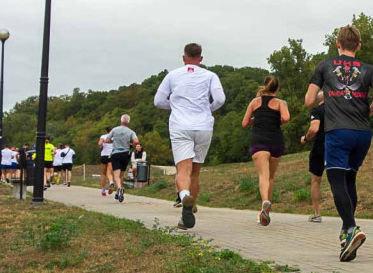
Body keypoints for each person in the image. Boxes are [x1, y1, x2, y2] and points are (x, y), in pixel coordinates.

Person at [304, 24, 373, 262]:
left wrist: (325, 94)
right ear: (359, 46)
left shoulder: (325, 66)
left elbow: (309, 100)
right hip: (363, 133)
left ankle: (351, 228)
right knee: (350, 178)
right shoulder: (368, 69)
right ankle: (345, 234)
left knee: (336, 180)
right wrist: (368, 112)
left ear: (337, 44)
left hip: (337, 131)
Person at [153, 42, 226, 230]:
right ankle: (188, 211)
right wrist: (207, 108)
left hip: (180, 126)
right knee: (195, 172)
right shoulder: (210, 75)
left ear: (184, 58)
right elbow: (220, 99)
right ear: (201, 59)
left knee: (182, 170)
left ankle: (184, 195)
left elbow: (158, 101)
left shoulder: (173, 75)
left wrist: (176, 105)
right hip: (203, 127)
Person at [242, 76, 290, 226]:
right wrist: (278, 120)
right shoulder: (280, 103)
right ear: (277, 89)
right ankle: (266, 212)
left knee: (263, 175)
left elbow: (244, 123)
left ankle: (265, 202)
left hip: (259, 141)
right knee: (270, 177)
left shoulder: (254, 102)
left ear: (264, 86)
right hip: (275, 141)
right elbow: (286, 118)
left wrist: (256, 119)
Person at [301, 99, 326, 222]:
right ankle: (347, 214)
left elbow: (314, 128)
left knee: (316, 181)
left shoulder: (317, 110)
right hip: (338, 146)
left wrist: (305, 138)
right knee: (340, 180)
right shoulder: (338, 107)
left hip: (320, 147)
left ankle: (317, 213)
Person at [106, 116, 138, 202]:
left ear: (120, 121)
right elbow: (136, 141)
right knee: (122, 174)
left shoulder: (114, 130)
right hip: (125, 154)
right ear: (128, 122)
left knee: (116, 175)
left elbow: (107, 140)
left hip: (116, 153)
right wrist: (132, 145)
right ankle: (117, 194)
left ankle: (119, 189)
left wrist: (114, 141)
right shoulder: (131, 131)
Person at [97, 127, 113, 196]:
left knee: (103, 174)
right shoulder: (114, 137)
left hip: (104, 155)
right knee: (109, 172)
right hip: (112, 155)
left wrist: (101, 145)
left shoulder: (103, 136)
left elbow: (99, 144)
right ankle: (111, 182)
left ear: (106, 131)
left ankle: (103, 190)